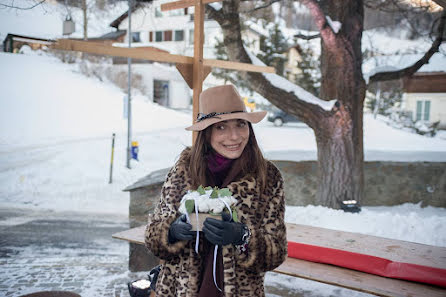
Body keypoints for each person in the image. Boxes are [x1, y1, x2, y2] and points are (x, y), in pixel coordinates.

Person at [145, 84, 287, 297]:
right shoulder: (184, 170)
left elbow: (276, 251)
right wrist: (172, 232)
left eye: (241, 124)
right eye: (221, 127)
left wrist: (243, 236)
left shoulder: (267, 177)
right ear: (206, 132)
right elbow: (153, 237)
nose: (234, 136)